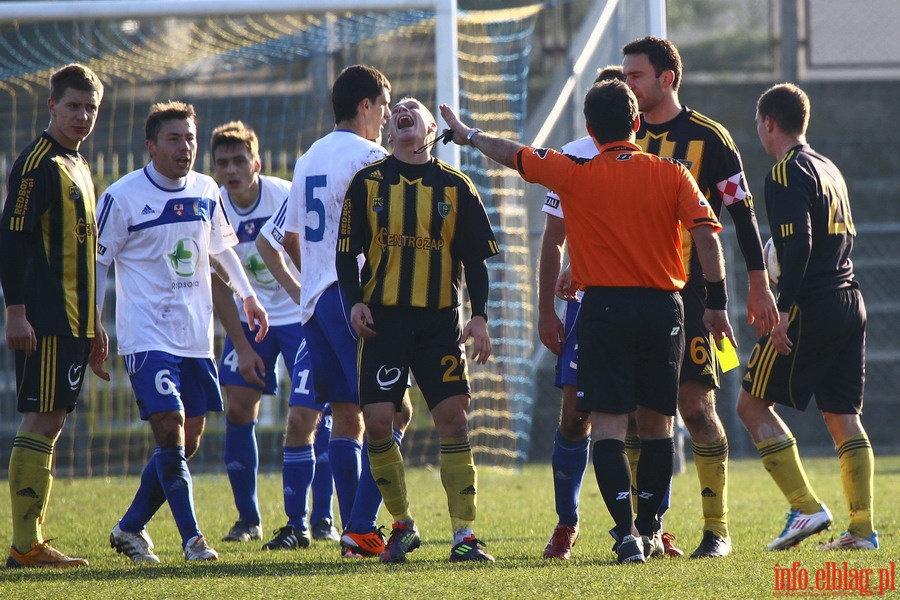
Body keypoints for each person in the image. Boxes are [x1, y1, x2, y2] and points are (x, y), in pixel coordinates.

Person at [440, 78, 735, 564]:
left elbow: (514, 153)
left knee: (609, 425)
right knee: (659, 425)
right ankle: (651, 525)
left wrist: (468, 134)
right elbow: (707, 236)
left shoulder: (573, 172)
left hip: (603, 310)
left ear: (590, 131)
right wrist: (718, 301)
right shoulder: (673, 174)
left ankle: (624, 536)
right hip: (664, 309)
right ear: (637, 124)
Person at [621, 36, 779, 558]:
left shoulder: (709, 137)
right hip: (628, 292)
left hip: (690, 296)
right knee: (633, 414)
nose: (627, 84)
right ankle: (646, 528)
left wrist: (757, 285)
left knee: (695, 405)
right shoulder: (621, 135)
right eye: (625, 76)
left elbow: (742, 217)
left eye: (636, 76)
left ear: (667, 78)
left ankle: (717, 530)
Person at [98, 101, 269, 563]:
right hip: (147, 336)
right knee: (171, 432)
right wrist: (95, 323)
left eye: (191, 138)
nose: (186, 147)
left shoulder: (207, 189)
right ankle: (194, 539)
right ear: (151, 146)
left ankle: (130, 528)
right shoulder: (122, 196)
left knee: (188, 441)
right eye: (175, 139)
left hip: (195, 338)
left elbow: (222, 250)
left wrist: (248, 295)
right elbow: (98, 262)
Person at [256, 64, 412, 559]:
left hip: (316, 304)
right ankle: (363, 525)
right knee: (395, 409)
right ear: (366, 105)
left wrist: (315, 287)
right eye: (384, 106)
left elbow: (289, 236)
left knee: (349, 415)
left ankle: (354, 535)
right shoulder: (371, 157)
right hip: (356, 298)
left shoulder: (307, 158)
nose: (388, 118)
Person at [336, 97, 499, 565]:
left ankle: (465, 535)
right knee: (380, 423)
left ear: (431, 128)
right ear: (390, 131)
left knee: (454, 419)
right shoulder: (367, 184)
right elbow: (346, 255)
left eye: (415, 107)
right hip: (383, 322)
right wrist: (354, 304)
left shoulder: (457, 187)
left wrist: (481, 315)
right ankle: (403, 526)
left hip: (438, 323)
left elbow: (475, 261)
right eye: (398, 109)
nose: (403, 109)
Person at [539, 65, 683, 561]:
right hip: (589, 306)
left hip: (614, 301)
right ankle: (568, 522)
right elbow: (553, 240)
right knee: (578, 416)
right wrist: (545, 311)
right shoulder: (574, 160)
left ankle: (645, 527)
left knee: (638, 421)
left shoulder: (650, 164)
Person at [737, 83, 877, 551]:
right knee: (842, 416)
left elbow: (798, 245)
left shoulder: (784, 172)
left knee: (751, 404)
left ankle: (805, 508)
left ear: (768, 122)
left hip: (809, 305)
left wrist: (780, 309)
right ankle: (861, 530)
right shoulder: (829, 167)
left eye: (759, 123)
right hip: (848, 300)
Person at [208, 121, 338, 548]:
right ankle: (248, 519)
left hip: (300, 318)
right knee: (239, 405)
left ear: (256, 163)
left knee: (313, 415)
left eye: (239, 160)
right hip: (254, 322)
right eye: (223, 162)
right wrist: (242, 346)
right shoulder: (214, 210)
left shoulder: (285, 195)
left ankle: (321, 519)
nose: (231, 169)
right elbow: (217, 284)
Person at [0, 64, 108, 568]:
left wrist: (96, 325)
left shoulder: (78, 164)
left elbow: (82, 254)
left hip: (75, 321)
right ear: (51, 106)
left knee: (53, 420)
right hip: (45, 317)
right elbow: (12, 239)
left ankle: (31, 541)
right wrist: (16, 312)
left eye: (90, 108)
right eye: (73, 106)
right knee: (40, 419)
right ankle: (25, 544)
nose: (82, 116)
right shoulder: (36, 164)